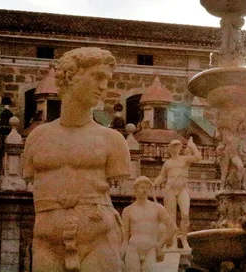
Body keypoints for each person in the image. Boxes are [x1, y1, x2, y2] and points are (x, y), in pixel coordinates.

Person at [23, 47, 131, 271]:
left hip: (98, 238)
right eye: (98, 77)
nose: (104, 86)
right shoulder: (37, 138)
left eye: (107, 80)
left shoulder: (112, 140)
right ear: (71, 76)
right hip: (46, 240)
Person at [153, 138, 202, 251]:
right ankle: (173, 242)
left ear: (180, 148)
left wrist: (192, 146)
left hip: (182, 189)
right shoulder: (167, 163)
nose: (175, 148)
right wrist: (155, 183)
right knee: (171, 217)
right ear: (170, 149)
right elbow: (162, 176)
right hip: (169, 189)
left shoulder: (185, 159)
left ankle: (184, 240)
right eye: (173, 146)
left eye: (177, 146)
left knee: (185, 214)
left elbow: (198, 157)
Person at [122, 176, 177, 272]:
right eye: (142, 187)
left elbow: (172, 227)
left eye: (147, 188)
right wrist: (121, 254)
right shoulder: (127, 211)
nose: (145, 190)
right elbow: (125, 237)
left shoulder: (157, 208)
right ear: (135, 189)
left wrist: (160, 244)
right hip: (133, 249)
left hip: (150, 249)